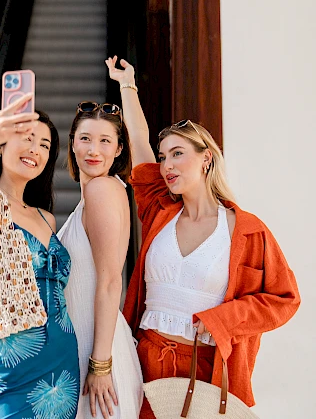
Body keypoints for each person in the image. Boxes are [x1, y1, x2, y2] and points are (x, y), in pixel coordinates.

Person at [105, 57, 301, 418]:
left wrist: (225, 319)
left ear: (206, 158)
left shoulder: (246, 230)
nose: (167, 166)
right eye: (164, 158)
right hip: (144, 361)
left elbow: (285, 299)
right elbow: (139, 141)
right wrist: (127, 85)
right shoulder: (159, 211)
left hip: (207, 369)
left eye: (178, 154)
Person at [0, 94, 80, 418]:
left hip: (62, 366)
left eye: (45, 145)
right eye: (27, 138)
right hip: (11, 369)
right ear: (0, 146)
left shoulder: (46, 217)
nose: (36, 150)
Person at [58, 101, 143, 419]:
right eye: (85, 138)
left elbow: (110, 281)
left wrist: (100, 364)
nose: (94, 149)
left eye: (105, 140)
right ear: (73, 143)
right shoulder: (98, 193)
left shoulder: (102, 190)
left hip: (95, 350)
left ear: (119, 148)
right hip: (87, 344)